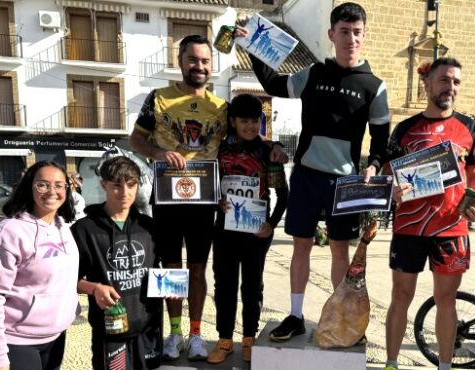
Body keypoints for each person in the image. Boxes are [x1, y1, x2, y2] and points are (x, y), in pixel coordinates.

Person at [235, 2, 390, 342]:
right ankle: (294, 315)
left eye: (357, 32)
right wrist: (252, 48)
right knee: (300, 246)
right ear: (332, 34)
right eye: (344, 31)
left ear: (364, 36)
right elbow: (276, 84)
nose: (351, 38)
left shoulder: (374, 86)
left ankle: (339, 316)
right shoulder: (314, 73)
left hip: (346, 182)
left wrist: (375, 165)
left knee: (340, 250)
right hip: (306, 175)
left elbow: (381, 139)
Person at [129, 34, 287, 360]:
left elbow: (249, 134)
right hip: (168, 198)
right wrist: (158, 152)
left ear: (211, 66)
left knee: (199, 268)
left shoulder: (222, 108)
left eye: (204, 61)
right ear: (181, 61)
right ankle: (174, 334)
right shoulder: (157, 98)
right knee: (171, 267)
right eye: (193, 60)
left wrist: (274, 146)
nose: (199, 66)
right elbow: (136, 140)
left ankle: (197, 334)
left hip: (205, 201)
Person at [383, 57, 475, 370]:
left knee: (447, 301)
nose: (450, 87)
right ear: (427, 85)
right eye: (444, 80)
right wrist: (392, 190)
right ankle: (390, 363)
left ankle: (444, 365)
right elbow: (388, 174)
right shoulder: (404, 129)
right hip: (409, 228)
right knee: (401, 295)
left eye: (455, 81)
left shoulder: (470, 127)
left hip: (452, 230)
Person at [206, 94, 289, 364]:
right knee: (224, 287)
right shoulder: (219, 150)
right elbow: (209, 185)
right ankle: (225, 340)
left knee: (252, 287)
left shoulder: (269, 152)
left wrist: (271, 225)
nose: (250, 126)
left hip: (256, 232)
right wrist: (214, 201)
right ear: (232, 121)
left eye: (255, 121)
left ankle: (249, 339)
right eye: (244, 121)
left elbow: (283, 194)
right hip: (225, 230)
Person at [0, 161, 80, 370]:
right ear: (29, 187)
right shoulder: (8, 233)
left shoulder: (63, 228)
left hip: (55, 338)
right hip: (15, 341)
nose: (52, 191)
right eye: (43, 184)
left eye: (59, 185)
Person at [72, 156, 171, 370]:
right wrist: (94, 288)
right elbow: (69, 279)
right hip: (111, 330)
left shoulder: (151, 227)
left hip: (149, 328)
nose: (124, 193)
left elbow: (162, 271)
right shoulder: (84, 230)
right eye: (117, 185)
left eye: (131, 185)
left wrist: (170, 286)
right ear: (103, 184)